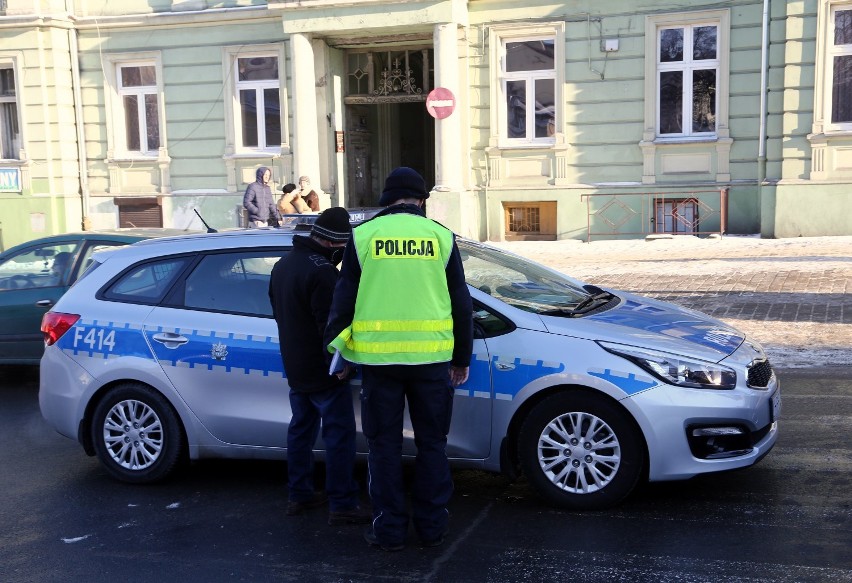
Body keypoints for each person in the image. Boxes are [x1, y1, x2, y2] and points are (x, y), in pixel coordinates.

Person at [324, 167, 473, 551]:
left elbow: (344, 300)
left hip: (379, 364)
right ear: (422, 200)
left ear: (386, 200)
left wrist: (338, 353)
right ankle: (431, 529)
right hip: (433, 363)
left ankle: (389, 531)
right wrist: (462, 357)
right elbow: (461, 302)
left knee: (384, 448)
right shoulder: (441, 237)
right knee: (432, 446)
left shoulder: (363, 236)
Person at [268, 207, 371, 527]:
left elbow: (278, 312)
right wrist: (339, 365)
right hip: (323, 372)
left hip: (295, 365)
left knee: (300, 430)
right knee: (339, 436)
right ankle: (342, 502)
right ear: (334, 244)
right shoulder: (323, 272)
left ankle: (299, 494)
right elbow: (330, 326)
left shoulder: (283, 265)